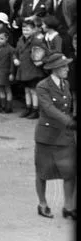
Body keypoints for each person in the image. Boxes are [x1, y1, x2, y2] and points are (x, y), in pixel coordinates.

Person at [33, 53, 76, 219]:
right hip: (47, 136)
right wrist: (68, 121)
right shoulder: (42, 86)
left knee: (70, 171)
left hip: (65, 136)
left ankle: (68, 207)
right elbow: (48, 108)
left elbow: (67, 107)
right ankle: (42, 204)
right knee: (42, 171)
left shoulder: (65, 83)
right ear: (54, 68)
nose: (67, 68)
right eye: (63, 66)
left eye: (66, 65)